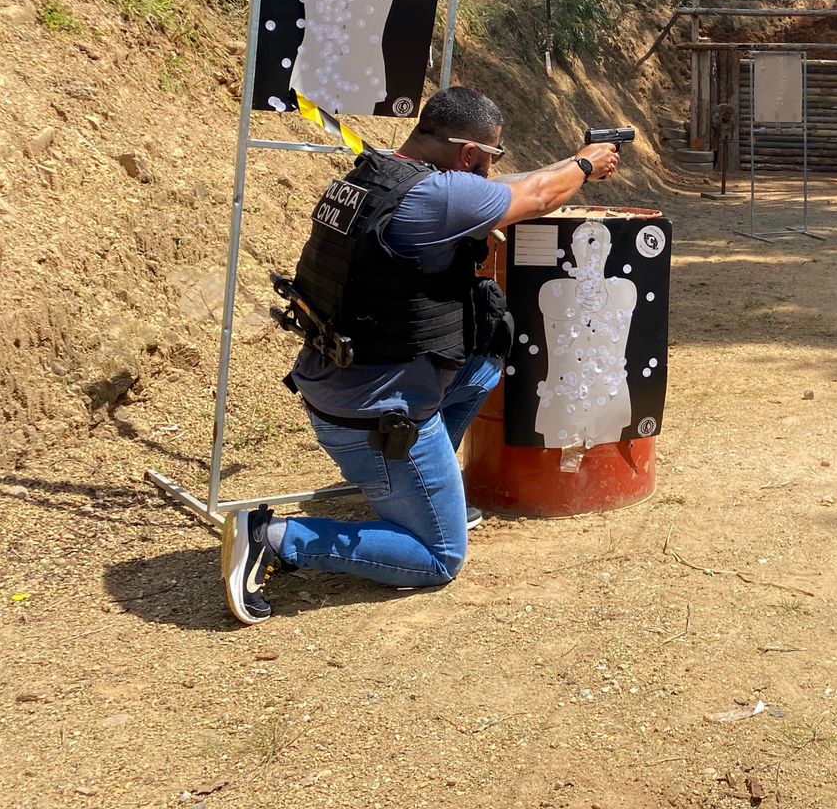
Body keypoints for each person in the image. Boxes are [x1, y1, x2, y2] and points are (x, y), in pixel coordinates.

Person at [221, 86, 620, 625]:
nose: (492, 167)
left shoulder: (375, 175)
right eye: (491, 155)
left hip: (335, 378)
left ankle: (427, 491)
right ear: (468, 155)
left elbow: (512, 187)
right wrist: (585, 164)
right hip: (375, 412)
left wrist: (563, 166)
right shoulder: (440, 197)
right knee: (439, 558)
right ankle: (274, 535)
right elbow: (541, 195)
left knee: (483, 361)